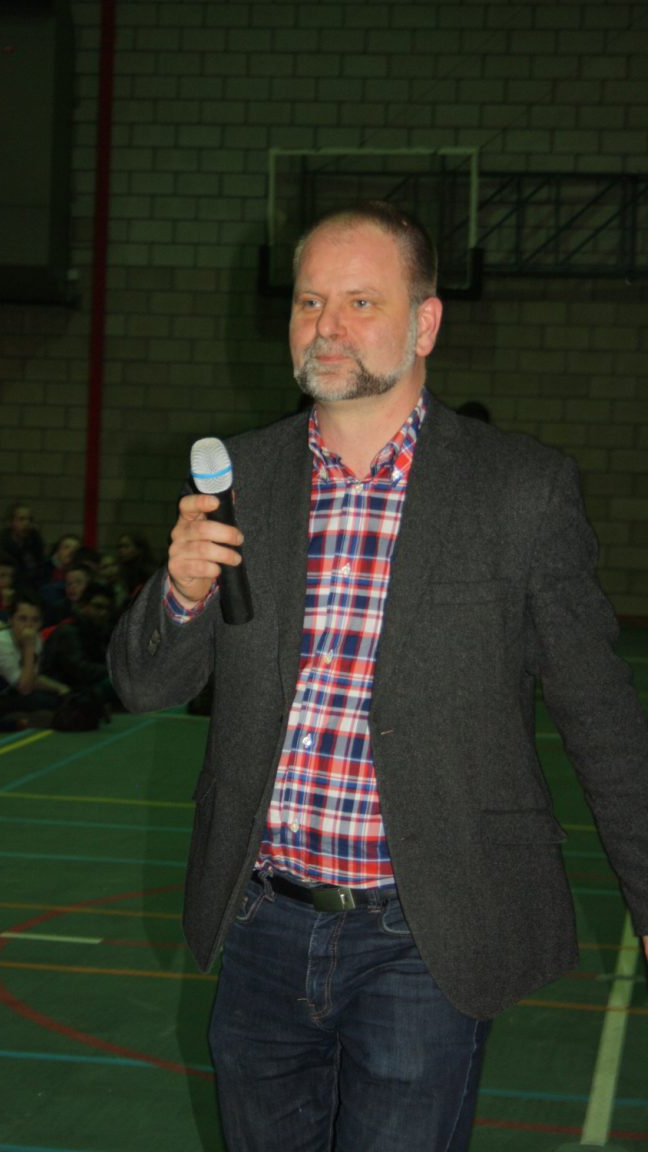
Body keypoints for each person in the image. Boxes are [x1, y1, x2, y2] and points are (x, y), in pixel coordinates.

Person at [107, 201, 648, 1152]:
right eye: (310, 301)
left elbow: (599, 714)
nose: (327, 326)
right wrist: (180, 592)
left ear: (425, 324)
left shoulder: (520, 490)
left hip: (423, 935)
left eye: (361, 301)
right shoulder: (242, 476)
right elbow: (144, 686)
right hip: (262, 922)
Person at [0, 589, 71, 726]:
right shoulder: (0, 642)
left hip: (8, 692)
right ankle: (6, 719)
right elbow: (25, 689)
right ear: (11, 620)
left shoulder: (36, 640)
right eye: (22, 619)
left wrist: (60, 688)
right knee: (42, 702)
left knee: (55, 699)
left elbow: (31, 679)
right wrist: (29, 648)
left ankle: (20, 718)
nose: (29, 626)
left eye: (35, 620)